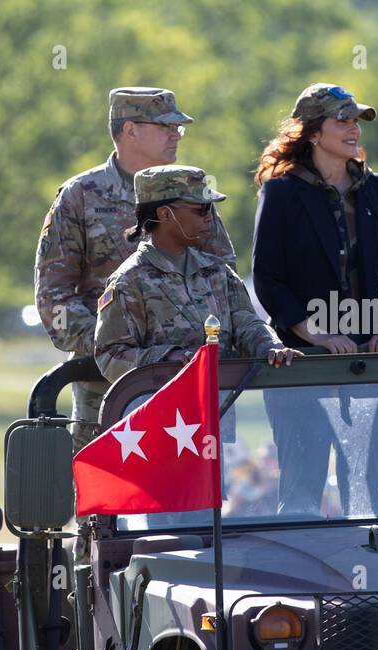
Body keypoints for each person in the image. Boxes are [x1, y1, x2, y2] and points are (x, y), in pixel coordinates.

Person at [35, 87, 236, 451]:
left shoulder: (189, 191)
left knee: (200, 499)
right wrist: (109, 345)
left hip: (192, 379)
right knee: (109, 499)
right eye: (165, 127)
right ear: (130, 130)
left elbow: (222, 274)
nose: (176, 134)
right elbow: (54, 298)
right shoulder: (80, 195)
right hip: (109, 385)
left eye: (179, 128)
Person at [252, 83, 378, 515]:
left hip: (368, 353)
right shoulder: (282, 192)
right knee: (301, 487)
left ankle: (371, 575)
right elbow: (267, 278)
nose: (353, 129)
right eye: (341, 120)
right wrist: (314, 333)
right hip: (302, 359)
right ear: (313, 132)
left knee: (363, 489)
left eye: (355, 121)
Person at [93, 165, 298, 381]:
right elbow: (110, 355)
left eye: (210, 208)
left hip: (220, 407)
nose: (209, 218)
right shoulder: (129, 281)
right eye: (201, 210)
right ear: (164, 214)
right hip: (162, 409)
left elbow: (246, 323)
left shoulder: (217, 271)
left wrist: (270, 347)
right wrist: (168, 358)